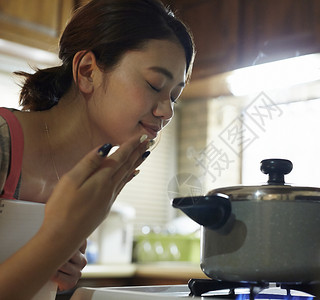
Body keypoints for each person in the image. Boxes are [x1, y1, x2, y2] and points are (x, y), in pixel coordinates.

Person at [0, 0, 195, 298]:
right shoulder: (3, 141)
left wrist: (56, 265)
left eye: (175, 96)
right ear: (88, 71)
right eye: (155, 85)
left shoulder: (92, 180)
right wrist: (55, 243)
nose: (167, 111)